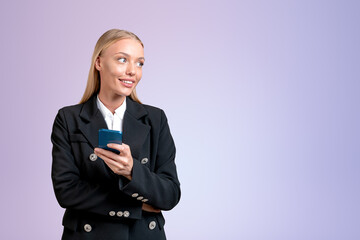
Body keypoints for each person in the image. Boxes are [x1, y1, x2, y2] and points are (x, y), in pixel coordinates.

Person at [51, 29, 181, 240]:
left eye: (139, 63)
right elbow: (66, 191)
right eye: (122, 60)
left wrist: (132, 171)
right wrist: (137, 205)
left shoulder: (155, 119)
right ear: (99, 63)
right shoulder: (68, 118)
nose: (133, 71)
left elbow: (170, 195)